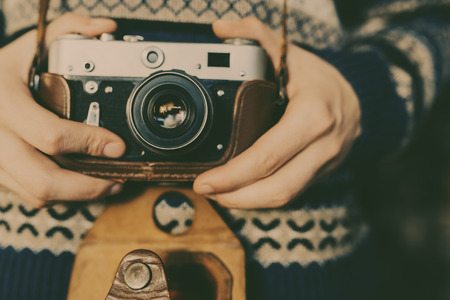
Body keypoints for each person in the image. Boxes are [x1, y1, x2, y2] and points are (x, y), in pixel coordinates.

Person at [0, 1, 449, 299]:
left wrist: (358, 95)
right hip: (27, 268)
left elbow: (430, 15)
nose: (168, 110)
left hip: (301, 269)